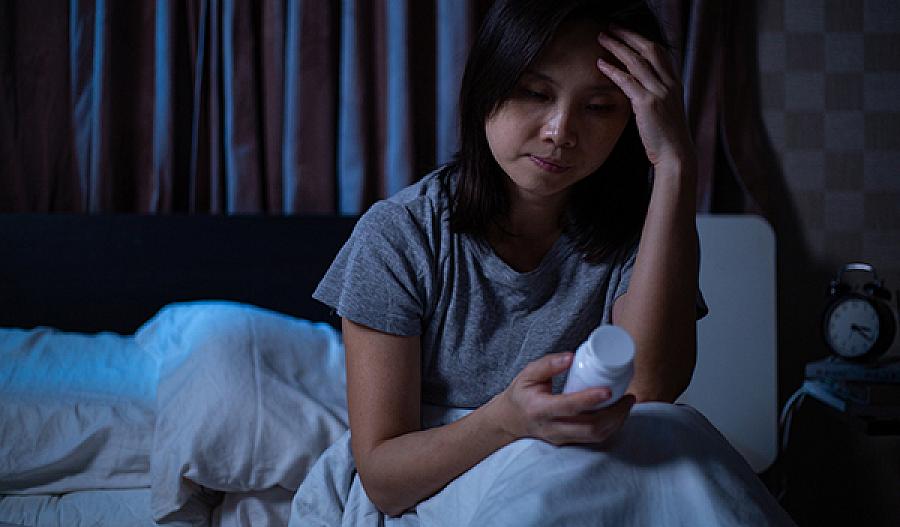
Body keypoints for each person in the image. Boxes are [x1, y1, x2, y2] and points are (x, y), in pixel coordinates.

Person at [290, 0, 796, 525]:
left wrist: (675, 163)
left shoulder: (641, 236)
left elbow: (650, 388)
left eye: (599, 107)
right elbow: (383, 481)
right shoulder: (400, 237)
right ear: (486, 86)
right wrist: (508, 421)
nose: (560, 131)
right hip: (449, 475)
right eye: (535, 93)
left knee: (677, 434)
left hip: (595, 473)